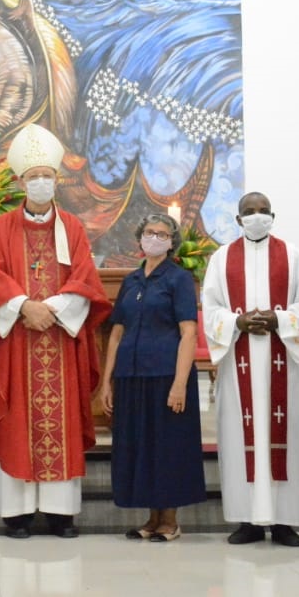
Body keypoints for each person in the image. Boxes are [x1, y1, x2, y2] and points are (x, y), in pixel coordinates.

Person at [0, 124, 111, 539]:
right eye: (33, 177)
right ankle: (17, 515)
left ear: (55, 180)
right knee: (15, 420)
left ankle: (61, 514)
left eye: (47, 175)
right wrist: (24, 307)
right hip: (16, 341)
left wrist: (52, 310)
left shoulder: (73, 228)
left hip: (60, 342)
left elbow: (85, 277)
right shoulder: (3, 228)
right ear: (20, 182)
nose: (41, 182)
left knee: (59, 422)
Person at [201, 191, 299, 547]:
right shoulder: (221, 259)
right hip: (239, 366)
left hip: (284, 363)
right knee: (240, 439)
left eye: (263, 211)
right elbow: (211, 307)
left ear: (273, 215)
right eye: (249, 212)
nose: (257, 216)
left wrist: (278, 319)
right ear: (238, 220)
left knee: (289, 436)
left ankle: (285, 521)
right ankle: (248, 521)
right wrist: (236, 322)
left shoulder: (294, 256)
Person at [98, 213, 205, 542]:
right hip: (131, 377)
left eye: (161, 233)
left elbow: (189, 333)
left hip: (166, 376)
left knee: (167, 446)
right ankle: (151, 517)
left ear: (172, 241)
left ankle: (169, 520)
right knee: (140, 445)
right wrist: (107, 381)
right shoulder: (131, 280)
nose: (154, 237)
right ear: (139, 238)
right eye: (149, 232)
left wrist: (179, 384)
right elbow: (116, 333)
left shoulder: (179, 279)